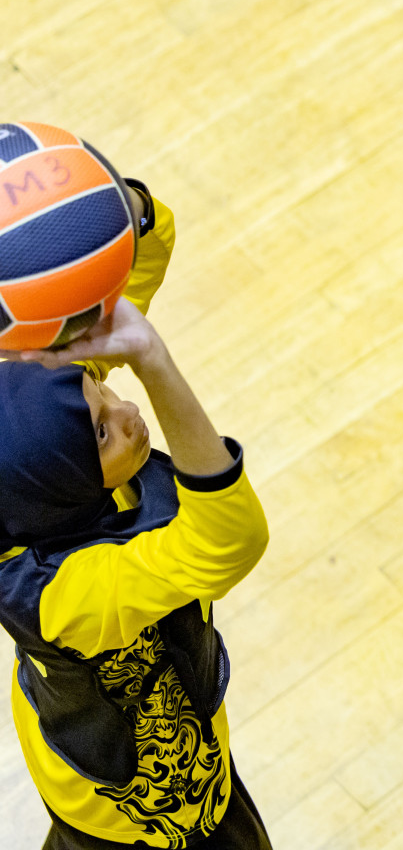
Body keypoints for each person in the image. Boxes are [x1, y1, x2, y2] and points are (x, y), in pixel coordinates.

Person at [0, 166, 271, 848]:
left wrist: (121, 206)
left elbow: (130, 275)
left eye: (103, 395)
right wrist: (155, 364)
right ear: (61, 483)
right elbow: (229, 542)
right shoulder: (63, 594)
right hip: (126, 821)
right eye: (102, 427)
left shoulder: (43, 448)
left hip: (195, 753)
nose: (125, 410)